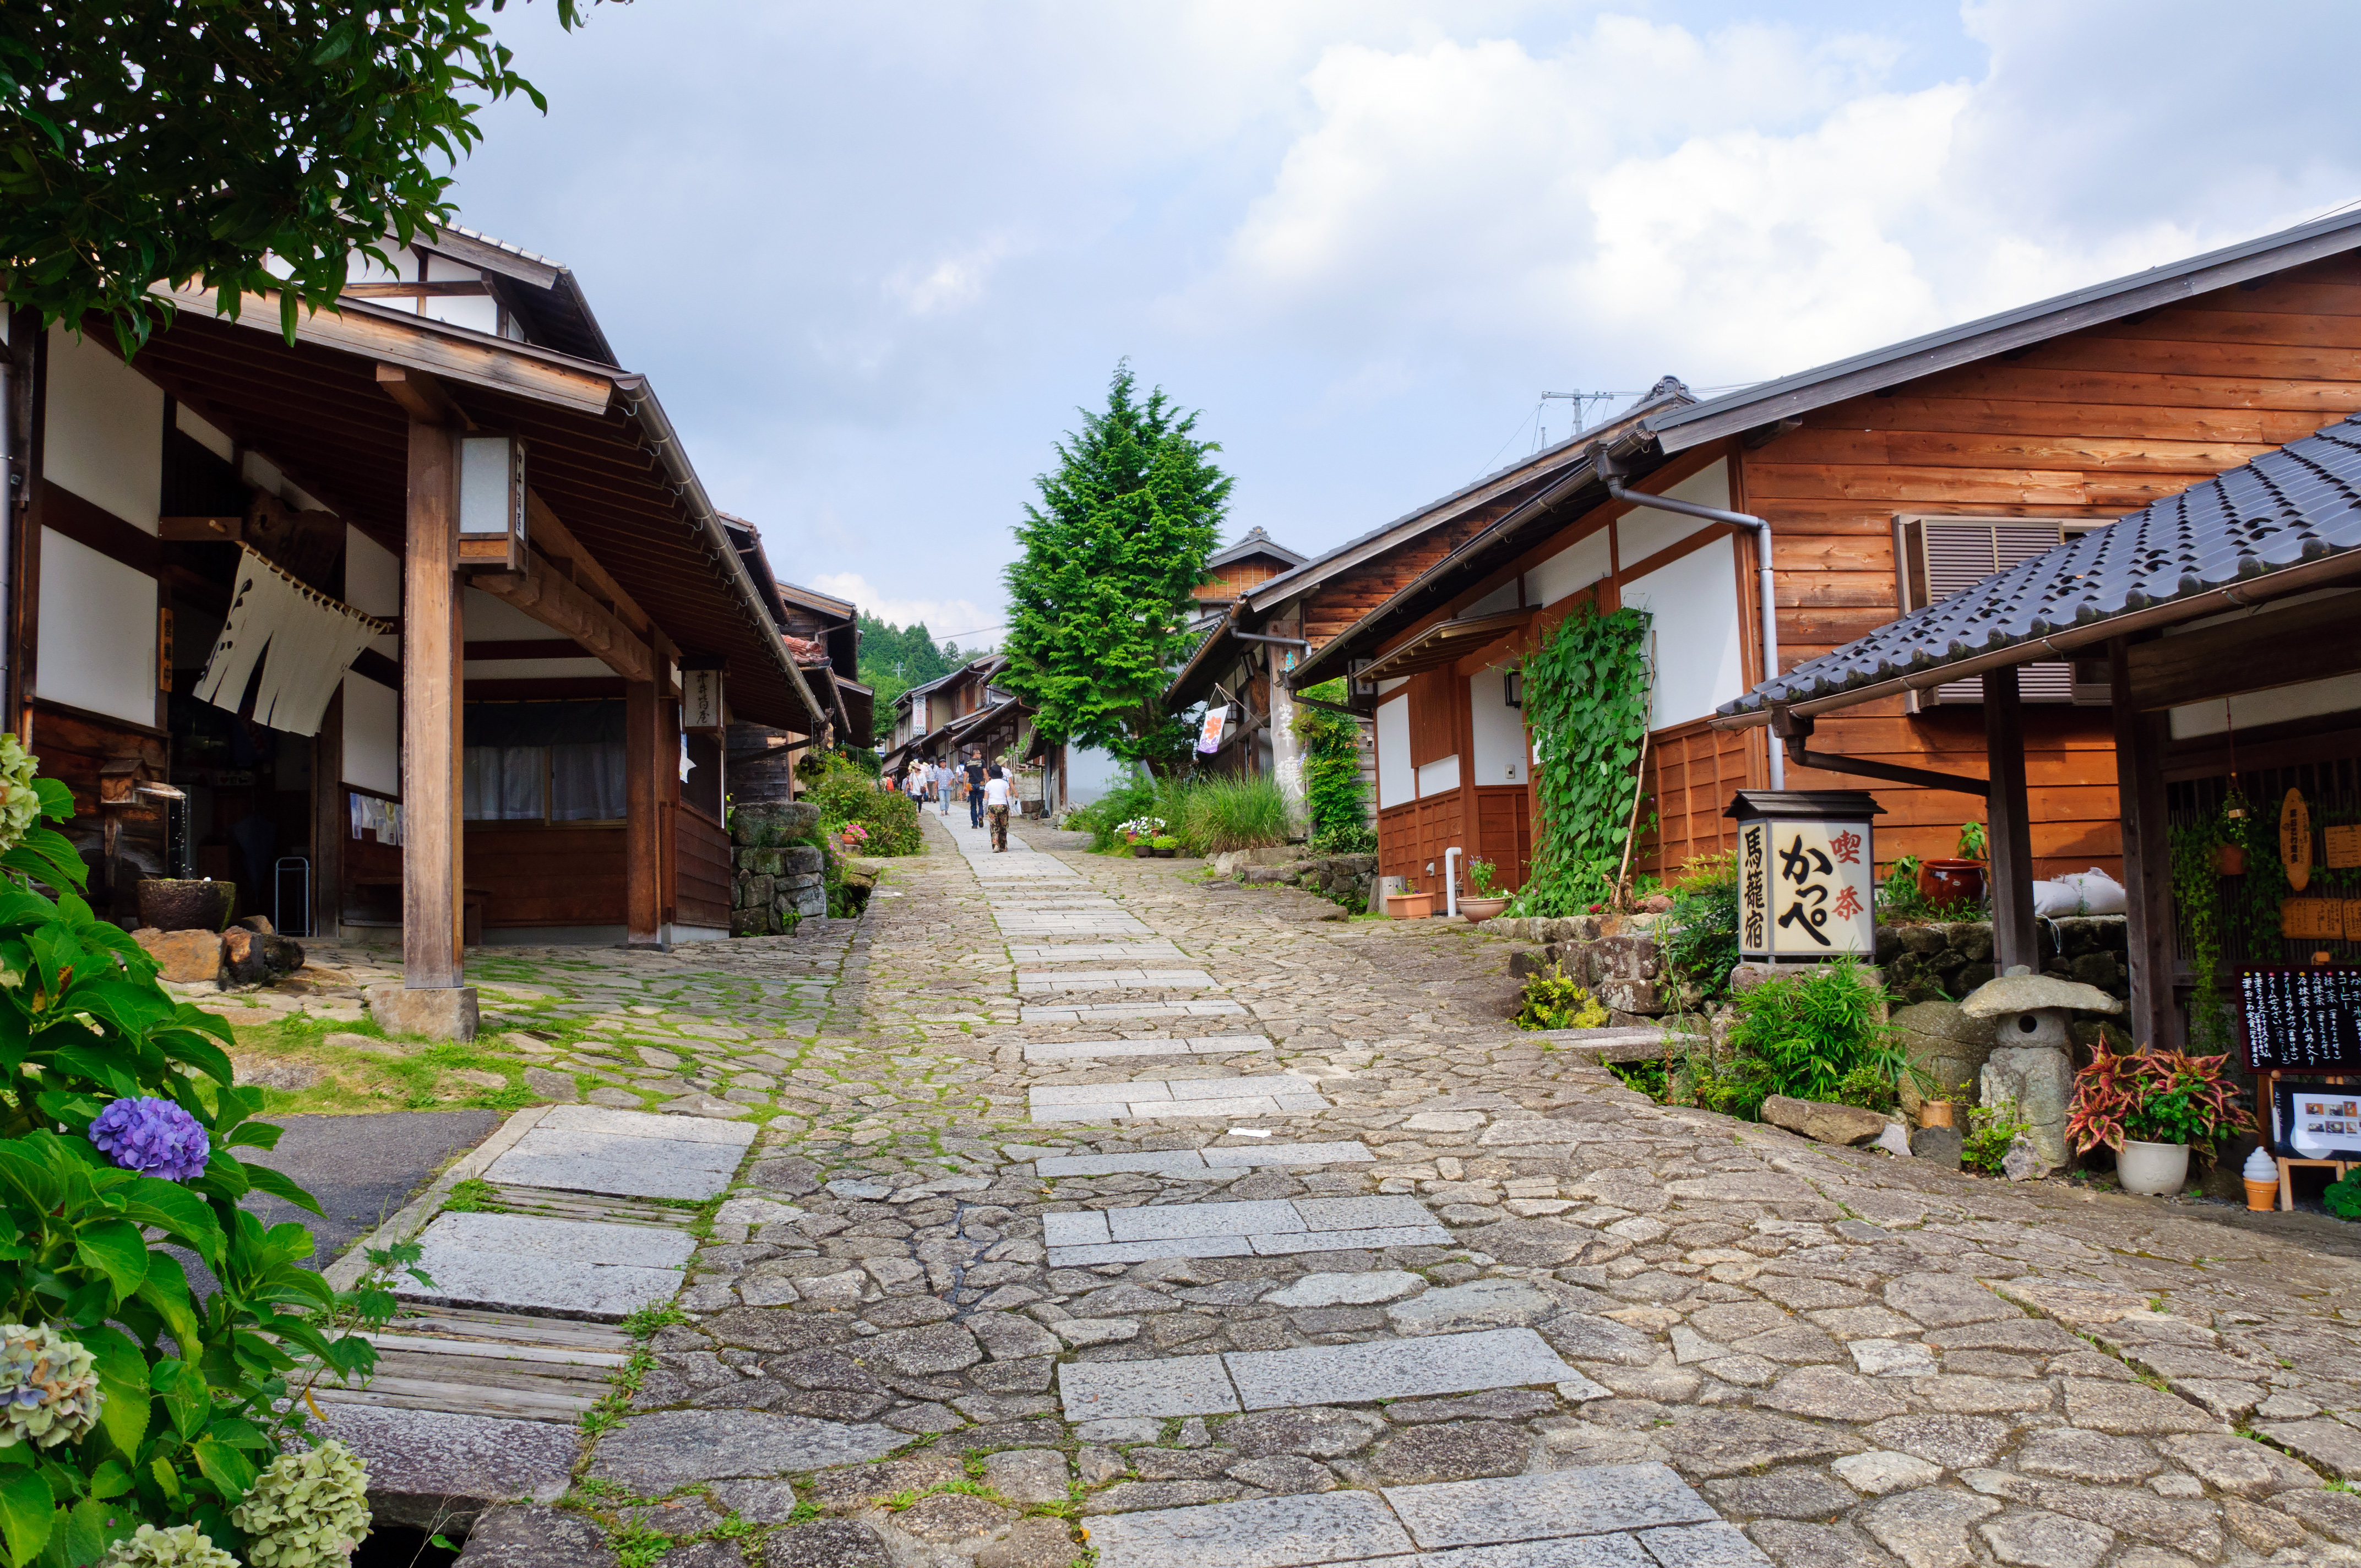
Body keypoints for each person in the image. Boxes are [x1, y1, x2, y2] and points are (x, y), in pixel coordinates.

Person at [982, 764, 1012, 852]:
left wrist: (984, 811)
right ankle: (1003, 846)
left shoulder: (989, 784)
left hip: (992, 806)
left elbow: (985, 799)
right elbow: (1009, 797)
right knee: (1003, 826)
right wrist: (1012, 809)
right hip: (1003, 805)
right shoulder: (1005, 783)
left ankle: (995, 845)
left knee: (994, 826)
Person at [964, 750, 987, 829]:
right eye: (979, 753)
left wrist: (964, 786)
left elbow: (965, 775)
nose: (981, 755)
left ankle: (975, 824)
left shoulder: (967, 763)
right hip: (980, 784)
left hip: (971, 785)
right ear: (976, 754)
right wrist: (989, 783)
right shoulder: (982, 762)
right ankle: (980, 815)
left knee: (973, 805)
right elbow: (985, 773)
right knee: (981, 803)